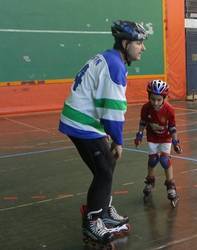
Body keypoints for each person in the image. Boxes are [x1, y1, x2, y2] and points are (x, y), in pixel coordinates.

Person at [59, 20, 147, 246]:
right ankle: (93, 221)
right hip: (82, 123)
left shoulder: (110, 58)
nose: (142, 48)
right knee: (104, 172)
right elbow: (112, 111)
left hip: (82, 118)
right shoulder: (115, 65)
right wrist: (117, 140)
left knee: (106, 166)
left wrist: (108, 135)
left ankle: (103, 210)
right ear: (125, 43)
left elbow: (102, 103)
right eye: (139, 43)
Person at [134, 80, 183, 207]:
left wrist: (176, 142)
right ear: (148, 97)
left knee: (165, 161)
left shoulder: (169, 110)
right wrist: (139, 135)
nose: (155, 103)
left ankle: (171, 185)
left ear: (164, 98)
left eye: (159, 100)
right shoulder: (145, 108)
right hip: (152, 137)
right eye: (152, 99)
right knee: (153, 160)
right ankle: (150, 181)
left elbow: (172, 127)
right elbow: (143, 122)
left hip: (165, 137)